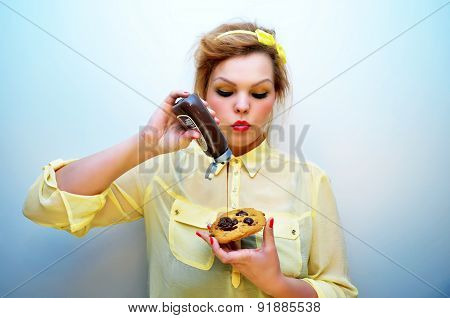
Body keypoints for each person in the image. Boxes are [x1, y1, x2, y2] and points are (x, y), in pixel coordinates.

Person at [22, 22, 358, 298]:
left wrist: (277, 284)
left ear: (275, 96)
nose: (242, 105)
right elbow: (45, 207)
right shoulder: (161, 170)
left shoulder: (311, 180)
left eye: (258, 93)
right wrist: (144, 146)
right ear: (202, 94)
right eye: (226, 91)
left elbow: (340, 296)